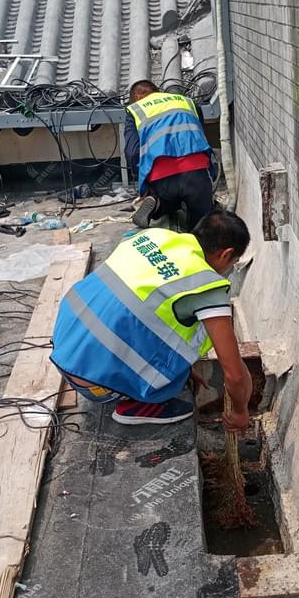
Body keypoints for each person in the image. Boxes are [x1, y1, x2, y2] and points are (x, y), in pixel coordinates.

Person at [51, 209, 252, 430]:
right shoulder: (207, 285)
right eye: (233, 262)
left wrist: (186, 369)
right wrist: (240, 413)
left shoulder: (151, 237)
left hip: (64, 350)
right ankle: (136, 407)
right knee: (171, 385)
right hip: (96, 387)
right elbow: (234, 373)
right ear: (226, 254)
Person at [124, 79, 215, 230]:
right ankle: (200, 234)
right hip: (197, 169)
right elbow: (200, 134)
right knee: (202, 222)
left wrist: (144, 186)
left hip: (161, 175)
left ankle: (157, 204)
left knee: (168, 201)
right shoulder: (187, 102)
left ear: (137, 96)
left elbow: (132, 153)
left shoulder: (136, 109)